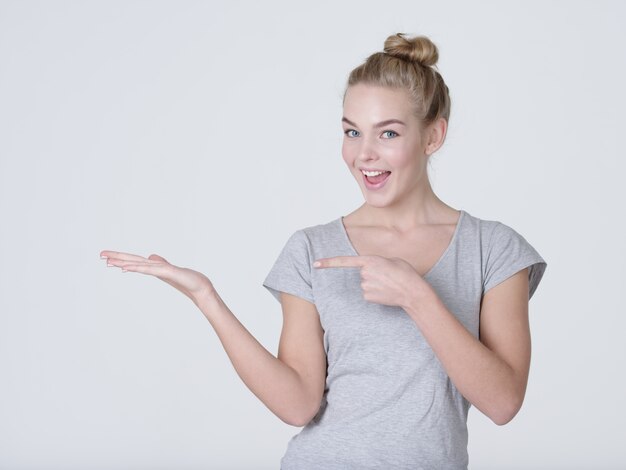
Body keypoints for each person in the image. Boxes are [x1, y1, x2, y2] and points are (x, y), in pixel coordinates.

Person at [100, 33, 547, 470]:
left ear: (433, 137)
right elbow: (297, 405)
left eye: (387, 133)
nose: (363, 154)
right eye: (352, 132)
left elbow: (503, 402)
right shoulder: (312, 248)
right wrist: (206, 297)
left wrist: (418, 296)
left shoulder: (494, 248)